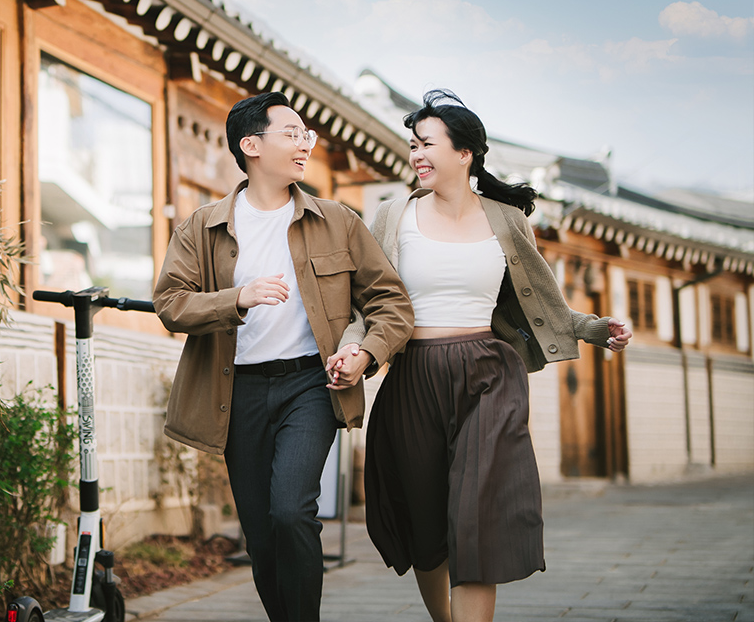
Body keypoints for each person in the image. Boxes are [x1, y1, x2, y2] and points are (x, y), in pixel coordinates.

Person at [332, 89, 632, 622]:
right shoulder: (391, 215)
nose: (416, 155)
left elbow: (542, 299)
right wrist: (354, 349)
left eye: (426, 144)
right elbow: (368, 301)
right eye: (412, 145)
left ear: (464, 152)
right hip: (413, 377)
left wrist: (594, 328)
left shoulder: (506, 220)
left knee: (477, 517)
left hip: (488, 374)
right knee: (426, 524)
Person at [153, 91, 414, 622]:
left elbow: (391, 302)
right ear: (251, 145)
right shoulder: (203, 225)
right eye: (291, 133)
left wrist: (364, 353)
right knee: (262, 534)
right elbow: (170, 303)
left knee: (292, 512)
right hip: (237, 392)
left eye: (306, 135)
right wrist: (238, 297)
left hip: (310, 386)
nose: (304, 144)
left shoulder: (338, 219)